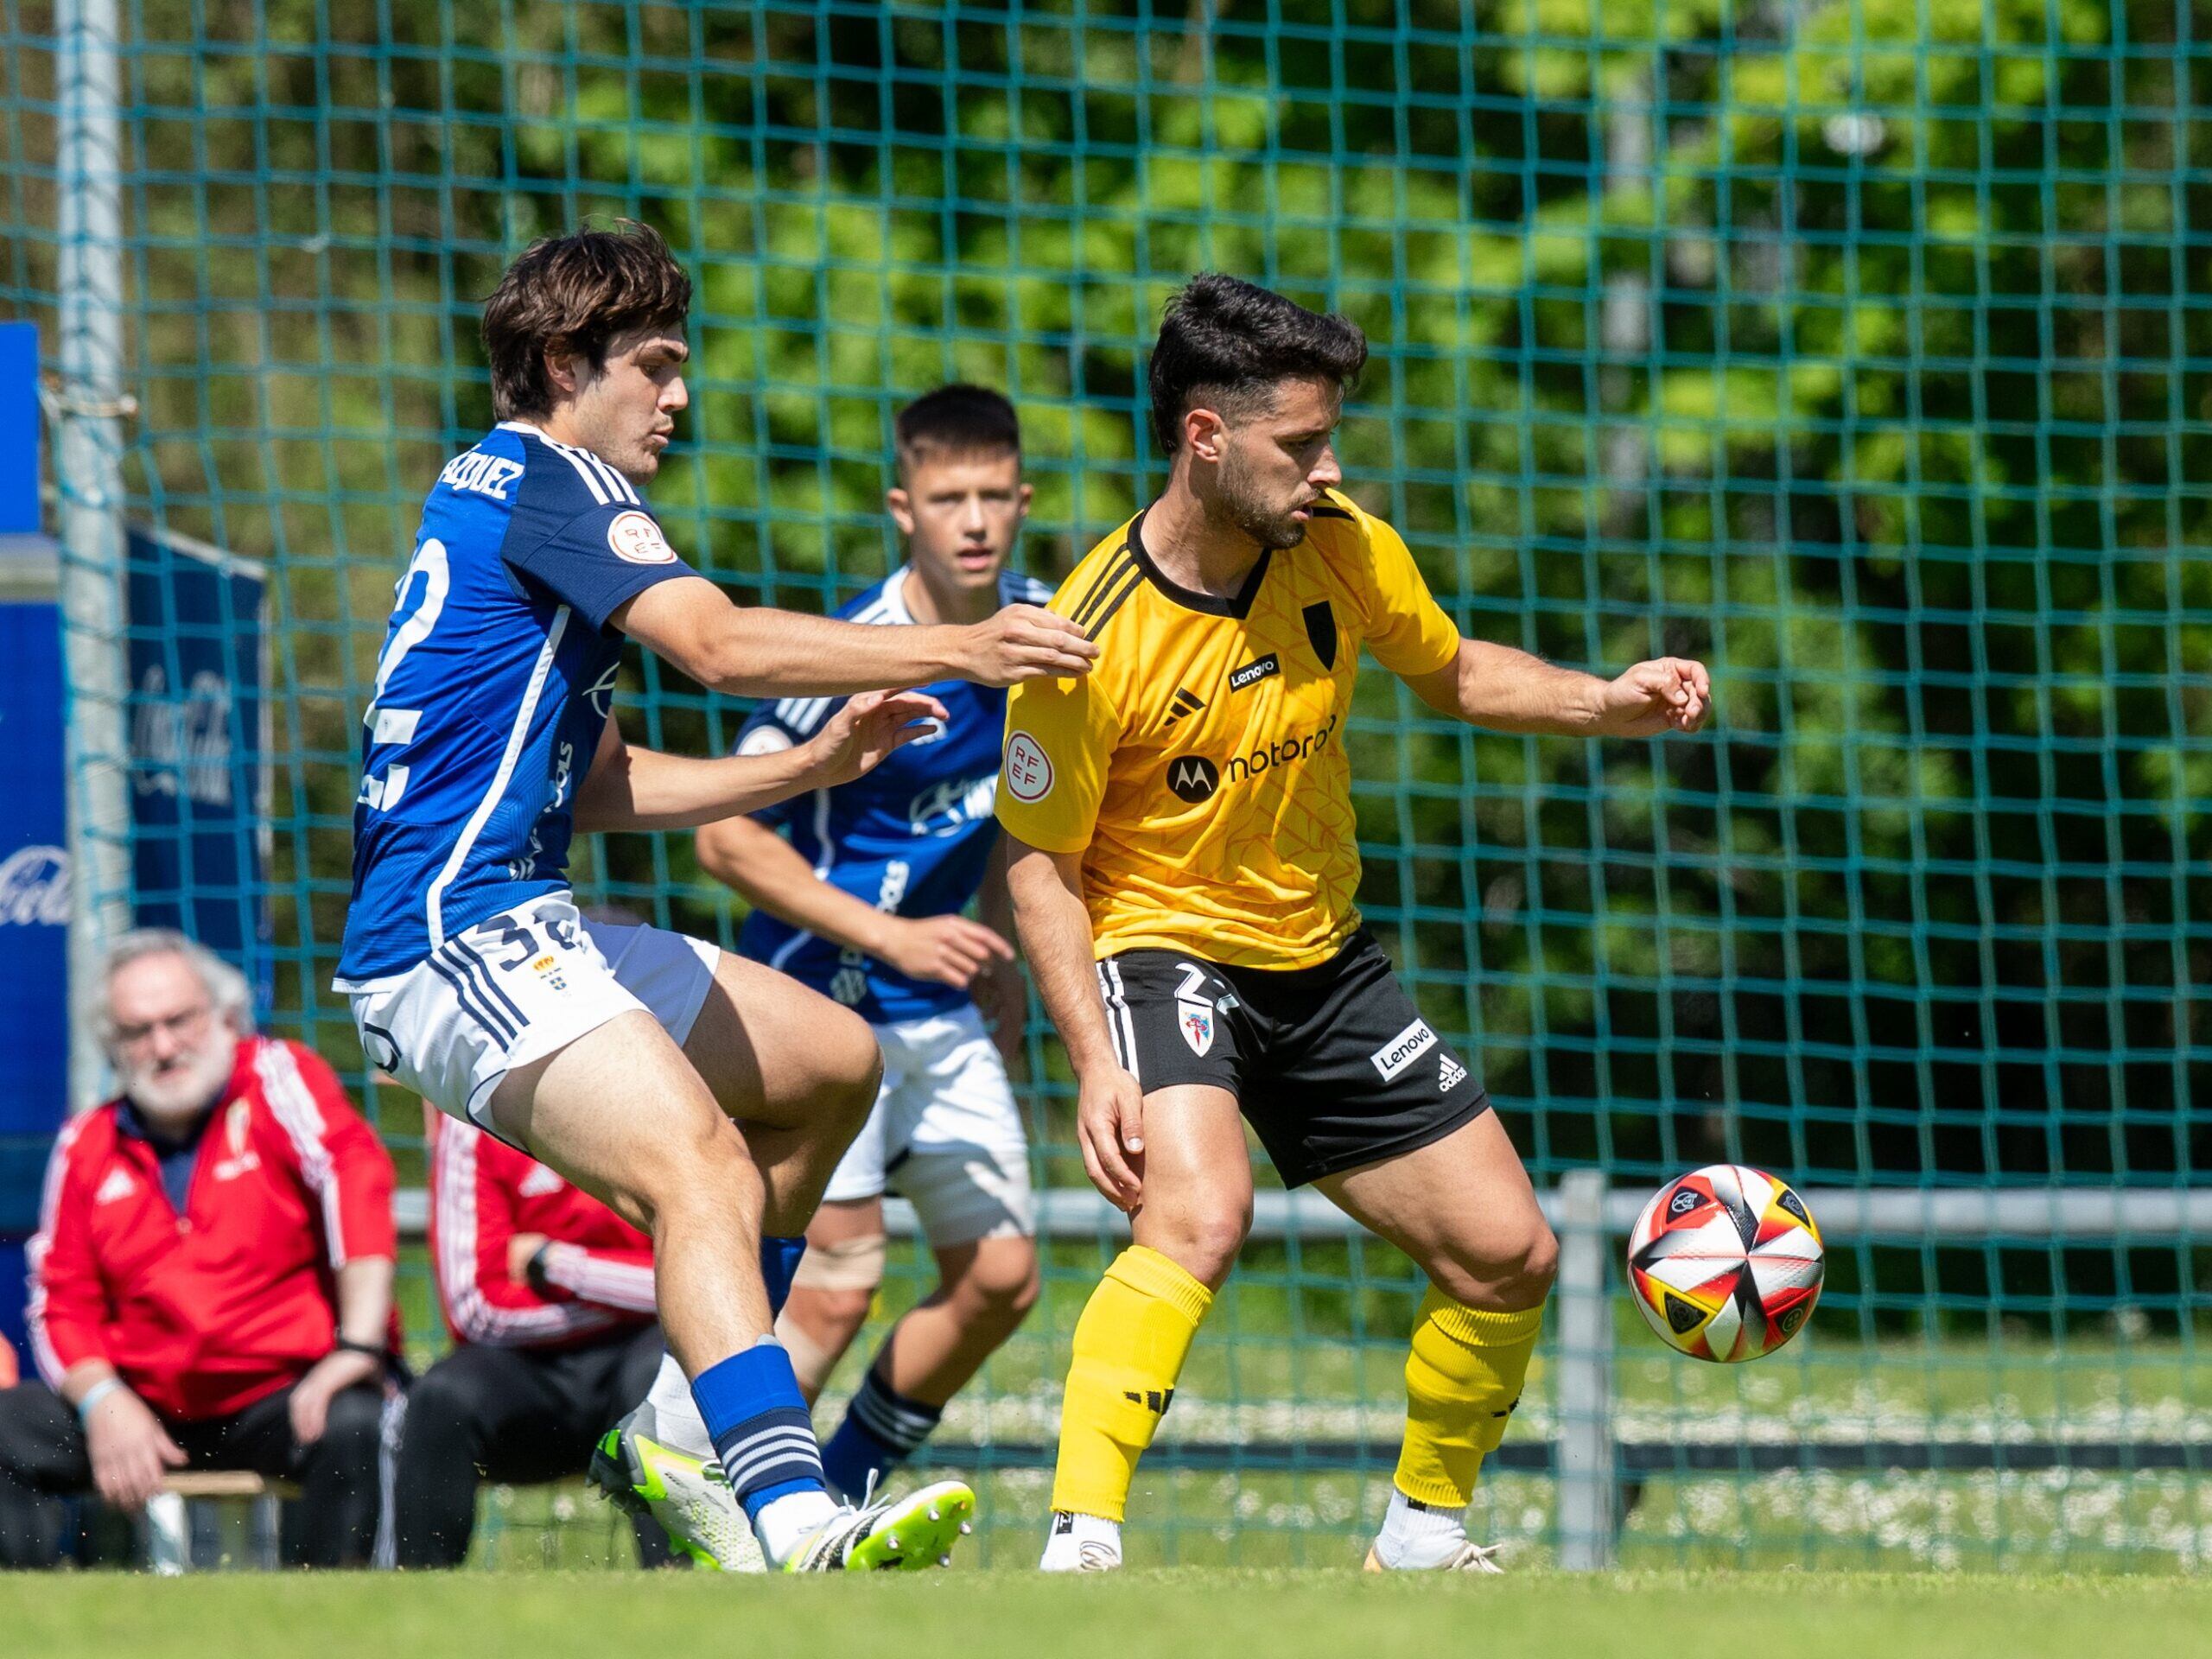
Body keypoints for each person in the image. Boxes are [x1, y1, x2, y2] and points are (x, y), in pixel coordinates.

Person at [333, 220, 1096, 1572]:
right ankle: (790, 1512)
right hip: (445, 939)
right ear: (569, 361)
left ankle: (679, 1429)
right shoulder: (552, 479)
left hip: (522, 915)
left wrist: (812, 761)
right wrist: (967, 645)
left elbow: (606, 784)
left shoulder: (503, 495)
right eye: (660, 364)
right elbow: (723, 646)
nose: (680, 396)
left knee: (830, 1061)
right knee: (699, 1164)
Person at [995, 274, 1712, 1573]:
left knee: (1510, 1251)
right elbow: (1039, 869)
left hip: (1325, 962)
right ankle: (1080, 1543)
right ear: (1206, 436)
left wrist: (1609, 703)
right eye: (1302, 444)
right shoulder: (1087, 635)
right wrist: (1095, 1061)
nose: (1328, 469)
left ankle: (1424, 1537)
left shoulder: (1337, 544)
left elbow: (1455, 670)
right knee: (1203, 1216)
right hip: (1166, 945)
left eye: (1332, 441)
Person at [694, 385, 1043, 1502]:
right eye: (951, 498)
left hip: (937, 1011)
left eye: (995, 495)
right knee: (836, 1284)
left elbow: (1012, 819)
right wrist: (890, 935)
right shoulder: (857, 647)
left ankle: (836, 1491)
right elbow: (724, 837)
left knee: (1001, 1279)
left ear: (1025, 500)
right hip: (823, 1004)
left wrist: (1004, 954)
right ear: (906, 508)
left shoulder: (1040, 633)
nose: (976, 519)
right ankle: (713, 1499)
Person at [2, 930, 397, 1567]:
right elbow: (59, 1306)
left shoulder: (277, 1078)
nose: (161, 1047)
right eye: (137, 1032)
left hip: (286, 1392)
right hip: (146, 1404)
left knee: (355, 1423)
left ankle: (336, 1627)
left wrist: (357, 1347)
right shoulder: (85, 1144)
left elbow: (356, 1179)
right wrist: (104, 1401)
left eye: (177, 1021)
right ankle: (34, 1622)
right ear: (114, 1047)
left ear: (224, 1017)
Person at [396, 1108, 760, 1569]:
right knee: (440, 1398)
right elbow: (475, 1311)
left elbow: (710, 1284)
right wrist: (640, 1290)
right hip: (522, 1375)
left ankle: (683, 1587)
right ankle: (418, 1596)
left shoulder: (662, 1100)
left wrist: (557, 1267)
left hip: (641, 1356)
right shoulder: (472, 1118)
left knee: (663, 1379)